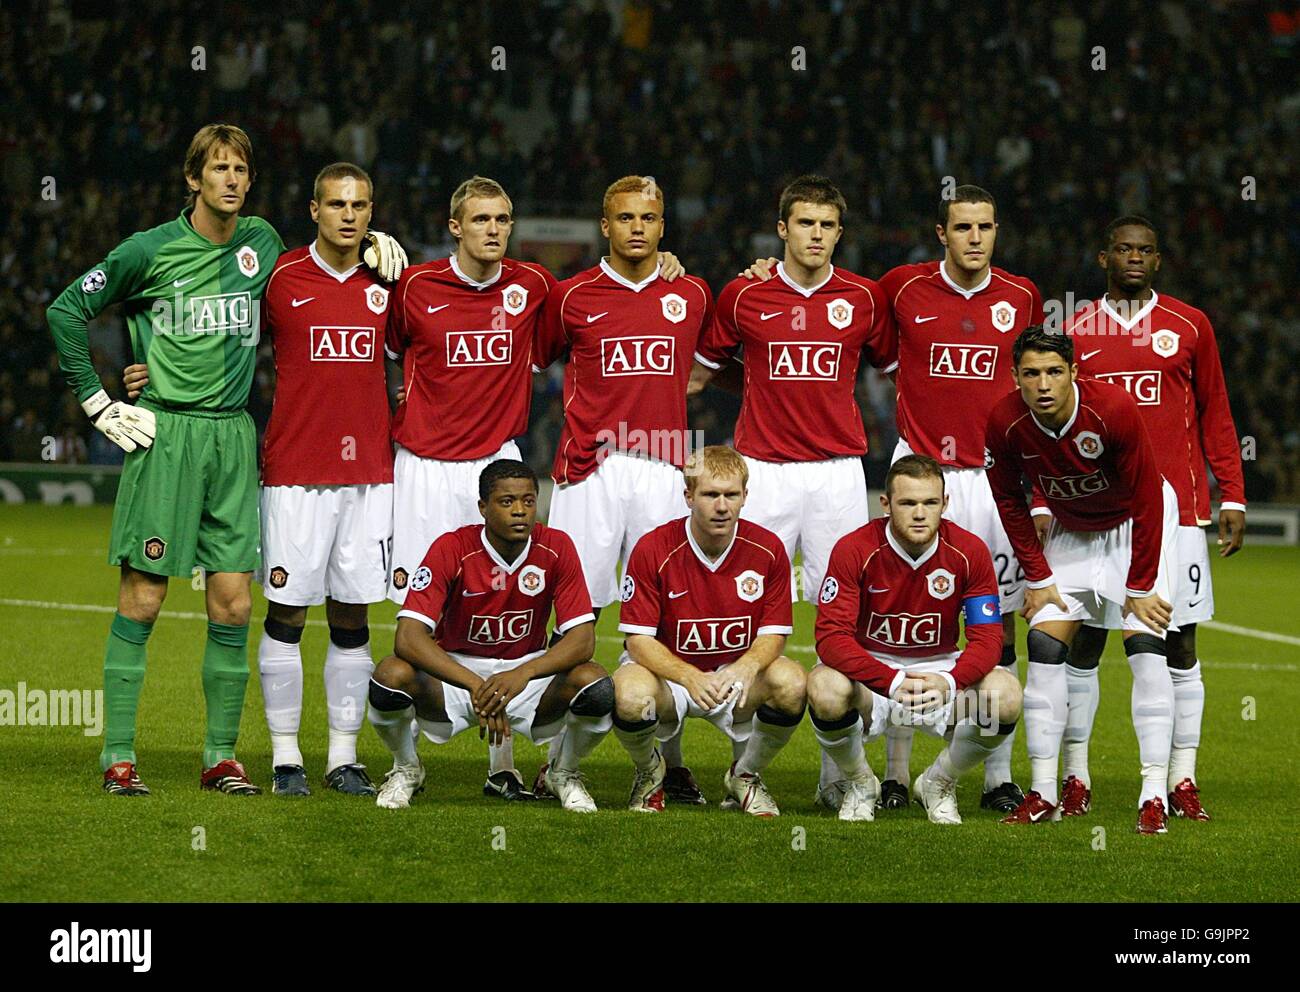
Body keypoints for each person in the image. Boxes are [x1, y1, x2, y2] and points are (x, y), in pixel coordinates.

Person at [385, 176, 687, 801]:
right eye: (481, 219)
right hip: (428, 464)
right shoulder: (419, 286)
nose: (493, 229)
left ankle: (547, 764)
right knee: (428, 615)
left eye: (503, 219)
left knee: (541, 606)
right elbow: (387, 350)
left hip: (518, 454)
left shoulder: (536, 288)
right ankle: (411, 762)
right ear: (455, 226)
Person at [120, 161, 407, 798]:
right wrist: (142, 369)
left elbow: (437, 341)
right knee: (285, 615)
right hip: (292, 474)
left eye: (361, 205)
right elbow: (200, 323)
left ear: (372, 212)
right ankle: (284, 760)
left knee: (353, 619)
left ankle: (342, 758)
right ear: (314, 211)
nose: (350, 215)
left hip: (369, 476)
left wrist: (405, 269)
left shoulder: (391, 282)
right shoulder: (278, 278)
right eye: (337, 204)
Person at [47, 124, 285, 796]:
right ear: (193, 179)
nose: (232, 179)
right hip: (166, 436)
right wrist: (97, 400)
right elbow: (66, 310)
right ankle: (118, 758)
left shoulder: (262, 244)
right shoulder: (149, 250)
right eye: (218, 168)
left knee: (234, 606)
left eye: (241, 168)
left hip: (233, 438)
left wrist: (376, 258)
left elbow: (310, 289)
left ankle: (220, 758)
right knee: (145, 599)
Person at [1039, 215, 1246, 820]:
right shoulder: (1076, 330)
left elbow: (1216, 411)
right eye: (1124, 250)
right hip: (1099, 513)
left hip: (1177, 510)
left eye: (1145, 250)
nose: (1134, 258)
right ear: (1104, 258)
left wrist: (1229, 493)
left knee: (1178, 641)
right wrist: (1049, 498)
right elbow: (1054, 421)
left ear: (1158, 260)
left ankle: (1181, 779)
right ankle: (1075, 778)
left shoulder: (1190, 325)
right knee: (1085, 641)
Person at [533, 175, 715, 804]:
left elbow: (712, 366)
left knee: (666, 620)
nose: (638, 227)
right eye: (625, 217)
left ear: (664, 227)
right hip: (590, 468)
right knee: (573, 619)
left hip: (665, 466)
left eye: (649, 217)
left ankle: (673, 763)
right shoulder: (570, 295)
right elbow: (525, 361)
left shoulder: (690, 292)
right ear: (603, 226)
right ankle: (555, 758)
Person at [986, 325, 1180, 834]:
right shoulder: (1005, 423)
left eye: (1054, 372)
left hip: (1135, 525)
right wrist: (1038, 574)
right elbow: (1009, 500)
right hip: (1071, 531)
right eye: (1031, 374)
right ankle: (1044, 791)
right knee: (1045, 644)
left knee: (1145, 645)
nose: (1043, 384)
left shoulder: (1112, 410)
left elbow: (1148, 498)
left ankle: (1153, 793)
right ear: (1016, 378)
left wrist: (1138, 587)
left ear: (1074, 373)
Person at [365, 460, 609, 812]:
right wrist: (476, 685)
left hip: (525, 676)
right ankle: (407, 768)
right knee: (390, 675)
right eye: (507, 502)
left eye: (528, 501)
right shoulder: (452, 547)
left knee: (596, 686)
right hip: (456, 672)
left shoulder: (556, 546)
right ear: (483, 507)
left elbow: (582, 640)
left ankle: (563, 773)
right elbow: (408, 637)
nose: (521, 512)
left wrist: (522, 673)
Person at [809, 454, 1019, 823]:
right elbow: (830, 637)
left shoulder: (969, 552)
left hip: (938, 669)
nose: (920, 513)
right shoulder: (854, 548)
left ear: (945, 504)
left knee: (1006, 695)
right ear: (886, 504)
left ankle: (938, 782)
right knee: (824, 687)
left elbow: (988, 639)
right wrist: (889, 682)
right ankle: (860, 782)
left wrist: (951, 682)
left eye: (930, 503)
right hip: (873, 673)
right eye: (907, 503)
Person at [612, 445, 804, 816]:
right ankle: (652, 772)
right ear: (688, 496)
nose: (722, 506)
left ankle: (745, 775)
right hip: (671, 678)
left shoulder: (768, 549)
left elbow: (775, 632)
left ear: (745, 496)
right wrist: (690, 676)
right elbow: (637, 639)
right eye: (710, 495)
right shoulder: (653, 548)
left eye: (731, 495)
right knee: (630, 695)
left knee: (793, 682)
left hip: (736, 677)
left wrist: (745, 668)